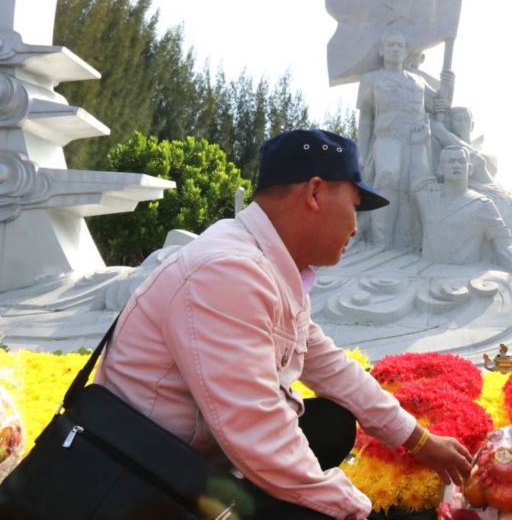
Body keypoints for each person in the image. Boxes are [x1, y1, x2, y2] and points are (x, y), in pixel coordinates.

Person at [94, 129, 473, 519]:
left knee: (331, 423)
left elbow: (330, 366)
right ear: (315, 193)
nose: (356, 228)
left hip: (185, 458)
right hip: (137, 480)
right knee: (314, 496)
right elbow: (258, 431)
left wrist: (418, 439)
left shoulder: (266, 266)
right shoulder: (228, 270)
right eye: (354, 205)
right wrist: (356, 511)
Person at [357, 30, 452, 250]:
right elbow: (365, 119)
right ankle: (382, 241)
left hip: (418, 139)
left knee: (419, 186)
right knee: (388, 178)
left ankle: (415, 242)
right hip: (388, 137)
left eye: (400, 46)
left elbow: (439, 103)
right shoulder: (372, 79)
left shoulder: (418, 81)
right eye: (391, 45)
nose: (396, 49)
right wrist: (362, 153)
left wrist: (448, 84)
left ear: (406, 51)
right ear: (382, 50)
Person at [415, 145, 512, 278]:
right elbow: (414, 178)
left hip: (464, 277)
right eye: (451, 162)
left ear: (469, 168)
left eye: (461, 161)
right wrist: (420, 143)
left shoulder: (483, 204)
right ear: (441, 169)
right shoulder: (425, 199)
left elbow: (503, 245)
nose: (456, 165)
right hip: (427, 274)